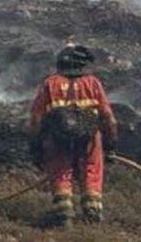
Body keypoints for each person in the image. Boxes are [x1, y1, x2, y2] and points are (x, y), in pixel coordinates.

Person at [27, 43, 118, 226]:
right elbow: (109, 118)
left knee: (61, 171)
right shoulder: (92, 83)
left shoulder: (50, 84)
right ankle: (92, 213)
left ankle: (64, 214)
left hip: (58, 138)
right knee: (92, 170)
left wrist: (35, 147)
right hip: (90, 139)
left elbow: (36, 119)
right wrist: (110, 146)